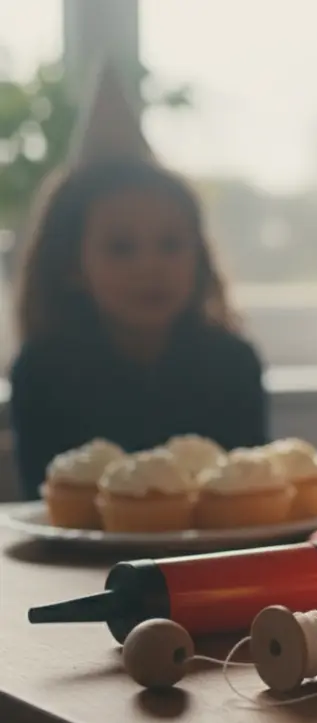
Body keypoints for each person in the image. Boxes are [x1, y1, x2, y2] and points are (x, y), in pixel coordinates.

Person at [7, 158, 268, 500]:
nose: (149, 266)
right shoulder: (41, 371)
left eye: (171, 244)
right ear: (72, 266)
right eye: (121, 248)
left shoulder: (235, 363)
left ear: (199, 257)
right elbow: (45, 504)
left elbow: (255, 493)